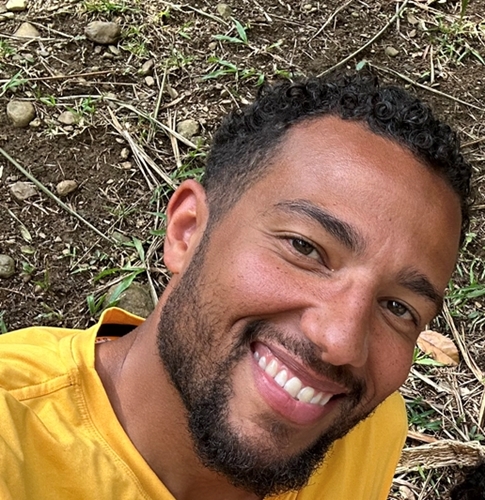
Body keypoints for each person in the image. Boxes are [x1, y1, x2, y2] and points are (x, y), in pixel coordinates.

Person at [0, 73, 471, 500]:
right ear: (187, 231)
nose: (342, 342)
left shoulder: (367, 433)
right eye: (305, 248)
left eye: (398, 307)